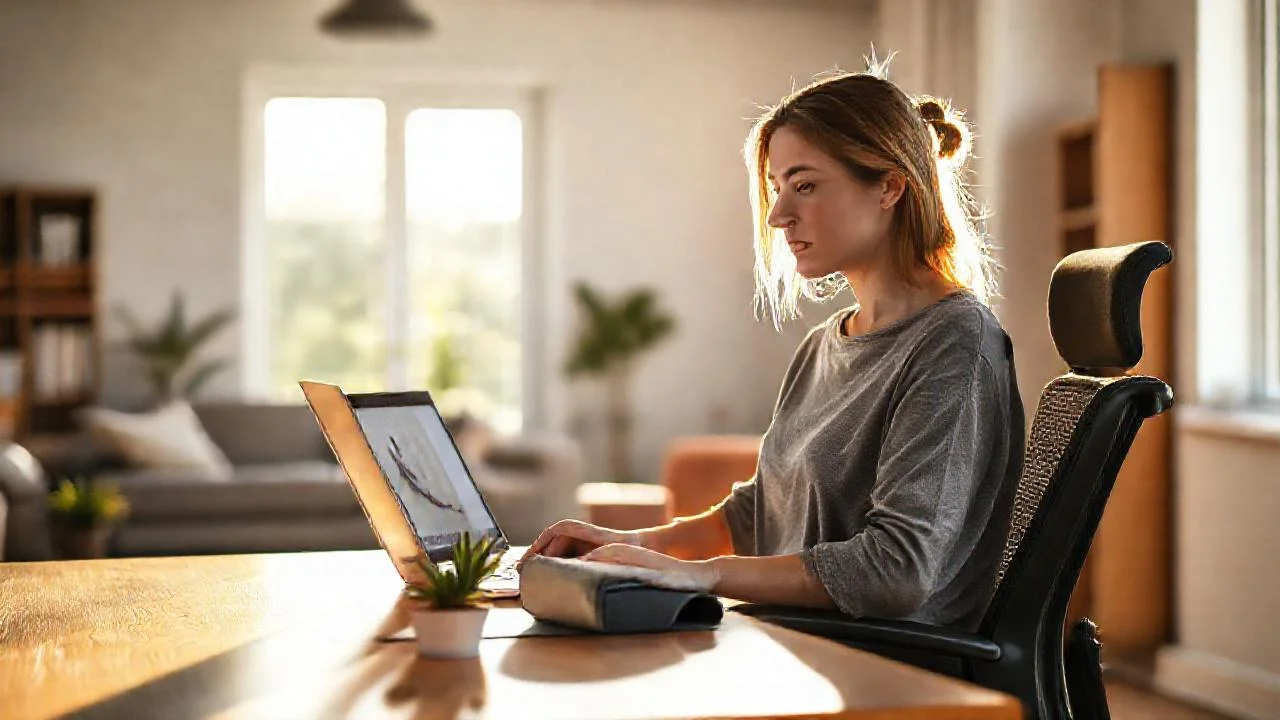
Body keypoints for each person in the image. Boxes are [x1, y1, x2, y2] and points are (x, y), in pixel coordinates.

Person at [520, 61, 1025, 631]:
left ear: (889, 186)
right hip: (790, 639)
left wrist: (702, 575)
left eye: (804, 185)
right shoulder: (821, 347)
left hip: (875, 661)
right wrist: (630, 546)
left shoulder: (954, 343)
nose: (780, 215)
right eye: (776, 188)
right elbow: (758, 514)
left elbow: (896, 570)